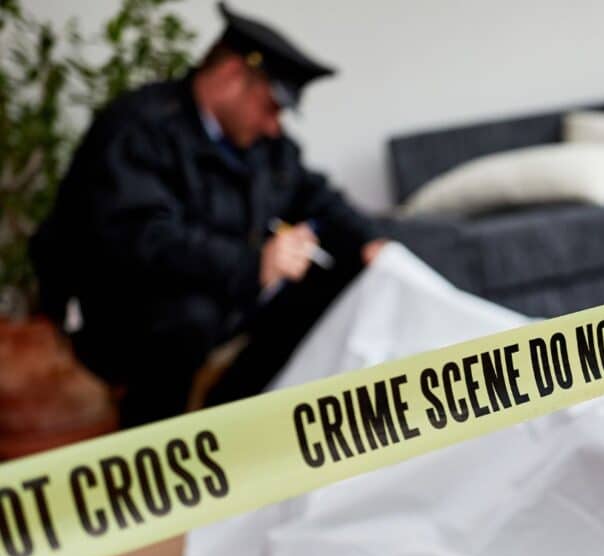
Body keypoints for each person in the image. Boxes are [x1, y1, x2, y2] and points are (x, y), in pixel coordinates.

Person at [30, 2, 387, 428]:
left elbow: (316, 196)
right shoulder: (139, 128)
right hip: (122, 315)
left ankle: (231, 416)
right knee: (188, 316)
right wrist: (254, 263)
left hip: (224, 296)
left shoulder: (264, 147)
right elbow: (142, 240)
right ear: (233, 77)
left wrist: (369, 241)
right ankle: (153, 440)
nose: (275, 125)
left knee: (341, 273)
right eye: (272, 105)